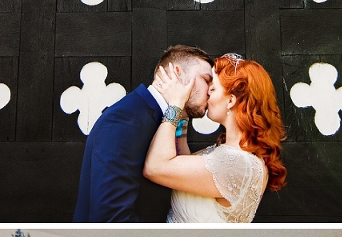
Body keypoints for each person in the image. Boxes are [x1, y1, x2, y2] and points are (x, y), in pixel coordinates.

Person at [73, 46, 213, 223]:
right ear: (177, 74)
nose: (210, 90)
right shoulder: (125, 120)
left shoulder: (163, 120)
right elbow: (111, 217)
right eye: (206, 80)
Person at [143, 55, 286, 223]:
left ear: (231, 100)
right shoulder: (229, 153)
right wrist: (183, 114)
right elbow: (181, 164)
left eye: (213, 88)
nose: (207, 92)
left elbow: (155, 167)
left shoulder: (237, 164)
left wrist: (175, 104)